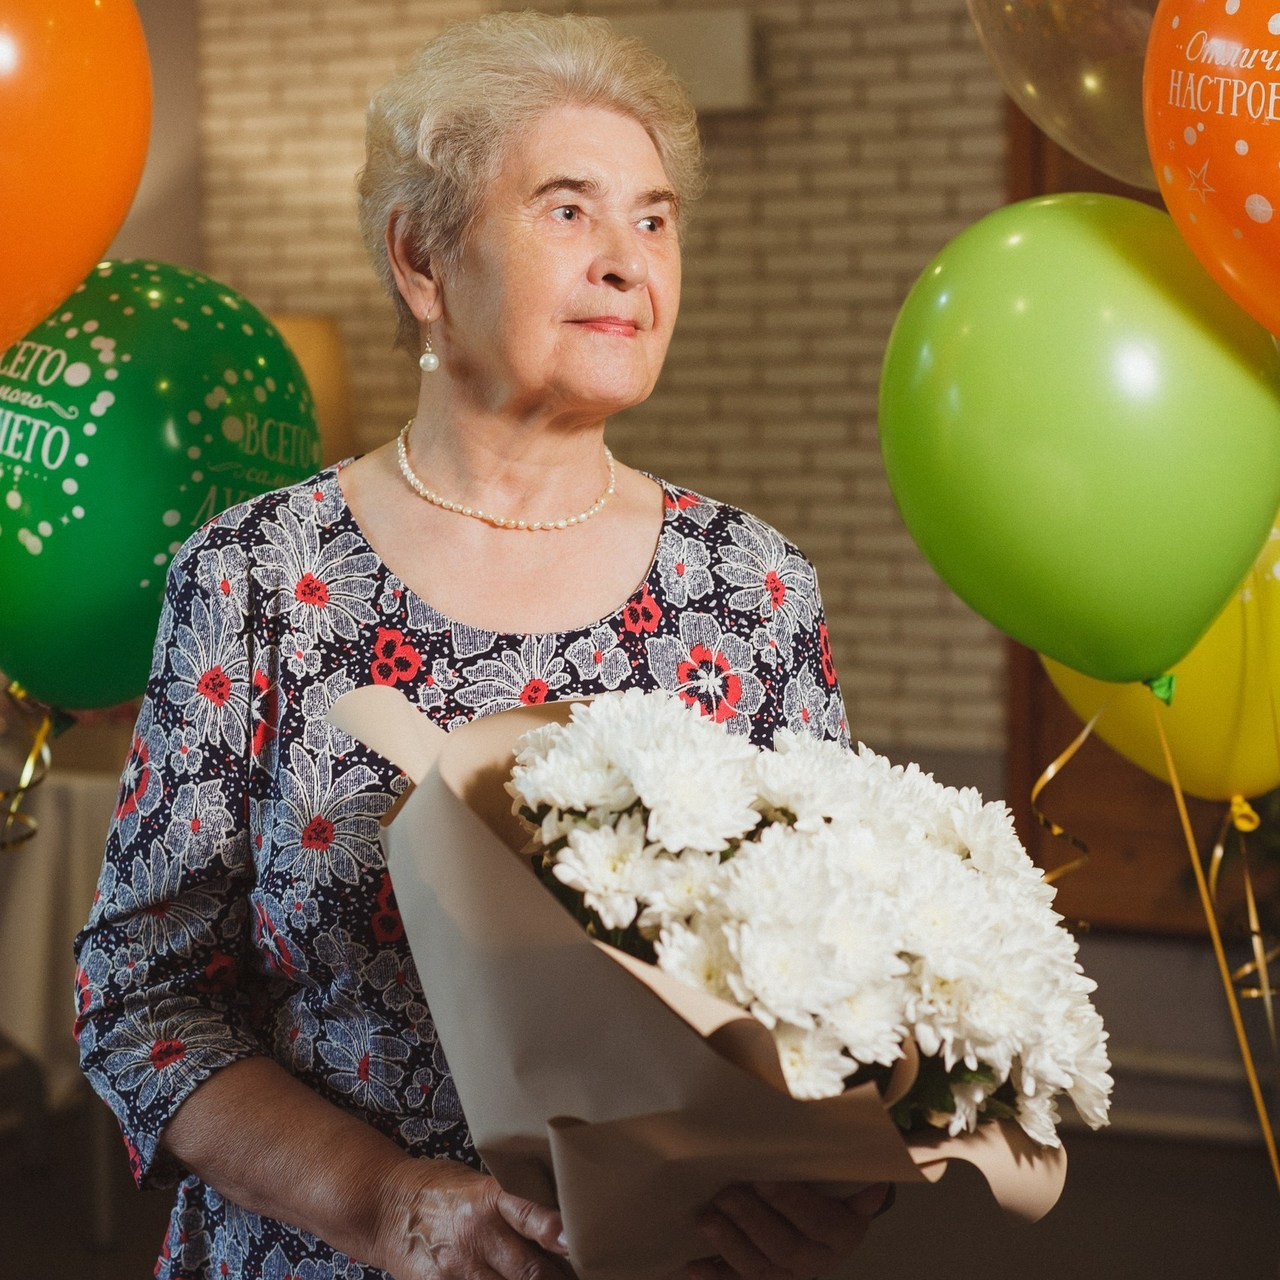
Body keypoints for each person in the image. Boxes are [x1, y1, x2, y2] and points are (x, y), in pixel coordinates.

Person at [73, 13, 887, 1279]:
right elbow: (141, 1000)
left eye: (654, 219)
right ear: (421, 257)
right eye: (568, 210)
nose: (627, 262)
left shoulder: (751, 587)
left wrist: (839, 1172)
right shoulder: (256, 576)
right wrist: (384, 1203)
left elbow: (852, 984)